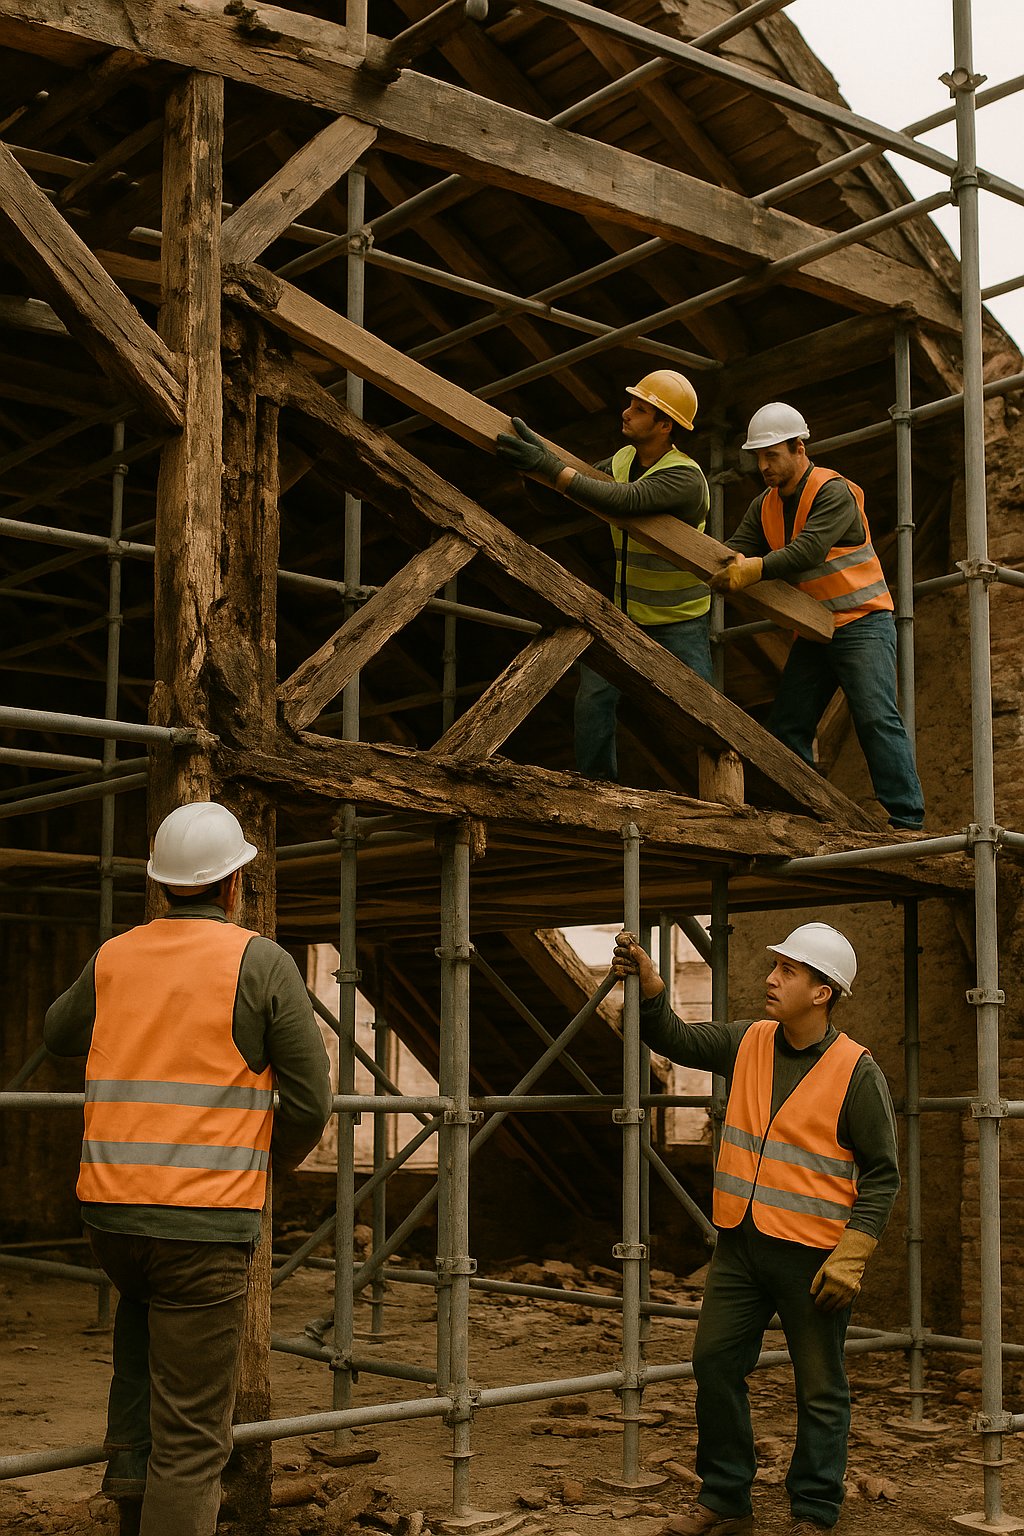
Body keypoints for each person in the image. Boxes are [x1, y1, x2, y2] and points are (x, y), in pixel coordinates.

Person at [44, 801, 333, 1536]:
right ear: (233, 884)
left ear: (160, 883)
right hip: (202, 1225)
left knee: (140, 1373)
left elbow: (59, 1032)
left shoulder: (116, 955)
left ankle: (130, 1510)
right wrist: (266, 1168)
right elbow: (310, 1100)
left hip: (111, 1217)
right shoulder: (260, 961)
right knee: (193, 1437)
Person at [612, 921, 899, 1536]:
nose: (771, 978)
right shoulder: (748, 1041)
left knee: (819, 1387)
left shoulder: (856, 1072)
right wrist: (653, 987)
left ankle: (814, 1511)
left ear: (821, 992)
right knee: (714, 1362)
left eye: (788, 971)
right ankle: (726, 1501)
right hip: (741, 1246)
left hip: (813, 1258)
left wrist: (852, 1254)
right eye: (775, 966)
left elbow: (883, 1174)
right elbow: (674, 1038)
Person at [709, 402, 924, 831]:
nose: (764, 466)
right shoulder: (764, 504)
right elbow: (737, 546)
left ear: (799, 448)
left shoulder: (833, 491)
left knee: (875, 717)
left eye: (772, 455)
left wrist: (753, 569)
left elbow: (807, 551)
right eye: (759, 457)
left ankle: (907, 820)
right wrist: (719, 559)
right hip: (815, 629)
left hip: (863, 622)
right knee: (789, 726)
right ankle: (804, 810)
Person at [496, 370, 713, 781]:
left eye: (640, 409)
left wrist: (551, 466)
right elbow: (566, 499)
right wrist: (534, 470)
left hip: (679, 619)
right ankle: (596, 786)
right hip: (625, 611)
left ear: (665, 425)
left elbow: (623, 500)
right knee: (593, 697)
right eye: (631, 404)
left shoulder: (685, 476)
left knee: (707, 717)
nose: (626, 412)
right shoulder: (622, 460)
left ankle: (728, 793)